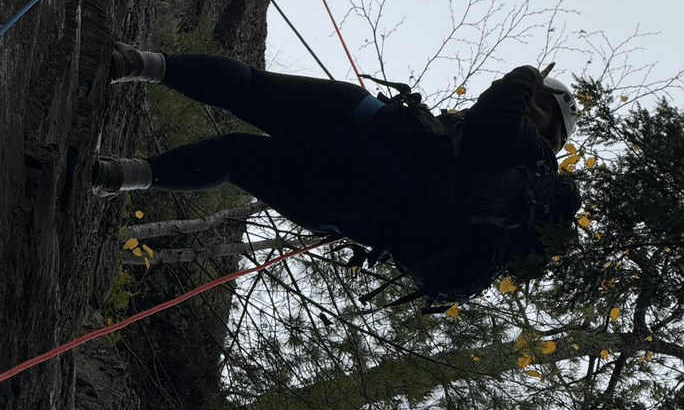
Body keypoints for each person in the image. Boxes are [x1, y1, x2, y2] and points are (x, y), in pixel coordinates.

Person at [93, 45, 580, 301]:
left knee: (249, 91)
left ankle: (136, 64)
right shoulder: (513, 203)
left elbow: (499, 106)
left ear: (553, 135)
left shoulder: (527, 151)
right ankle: (117, 176)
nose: (531, 106)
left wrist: (529, 75)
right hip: (350, 208)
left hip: (367, 131)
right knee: (233, 158)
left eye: (541, 107)